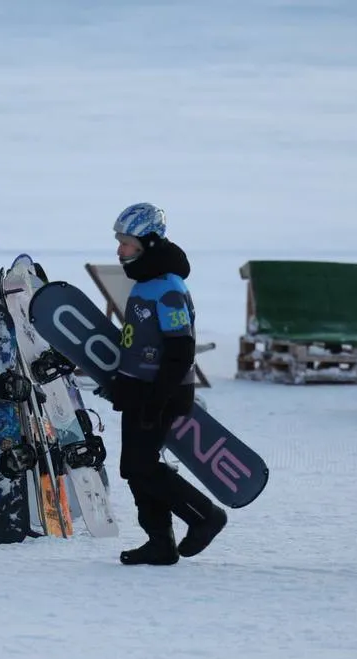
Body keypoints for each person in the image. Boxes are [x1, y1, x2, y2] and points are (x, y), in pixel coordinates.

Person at [105, 202, 227, 566]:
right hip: (140, 389)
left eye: (126, 243)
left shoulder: (168, 288)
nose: (119, 249)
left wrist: (157, 399)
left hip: (160, 392)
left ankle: (205, 515)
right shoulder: (147, 283)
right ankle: (159, 542)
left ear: (150, 244)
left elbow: (180, 349)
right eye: (119, 242)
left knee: (142, 465)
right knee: (135, 467)